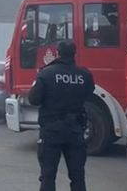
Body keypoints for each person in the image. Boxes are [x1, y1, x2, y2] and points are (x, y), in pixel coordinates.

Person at [28, 41, 95, 191]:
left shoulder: (46, 73)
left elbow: (33, 99)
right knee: (78, 176)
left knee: (48, 175)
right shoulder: (84, 74)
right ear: (74, 54)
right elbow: (89, 94)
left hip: (52, 131)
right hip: (76, 130)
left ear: (58, 53)